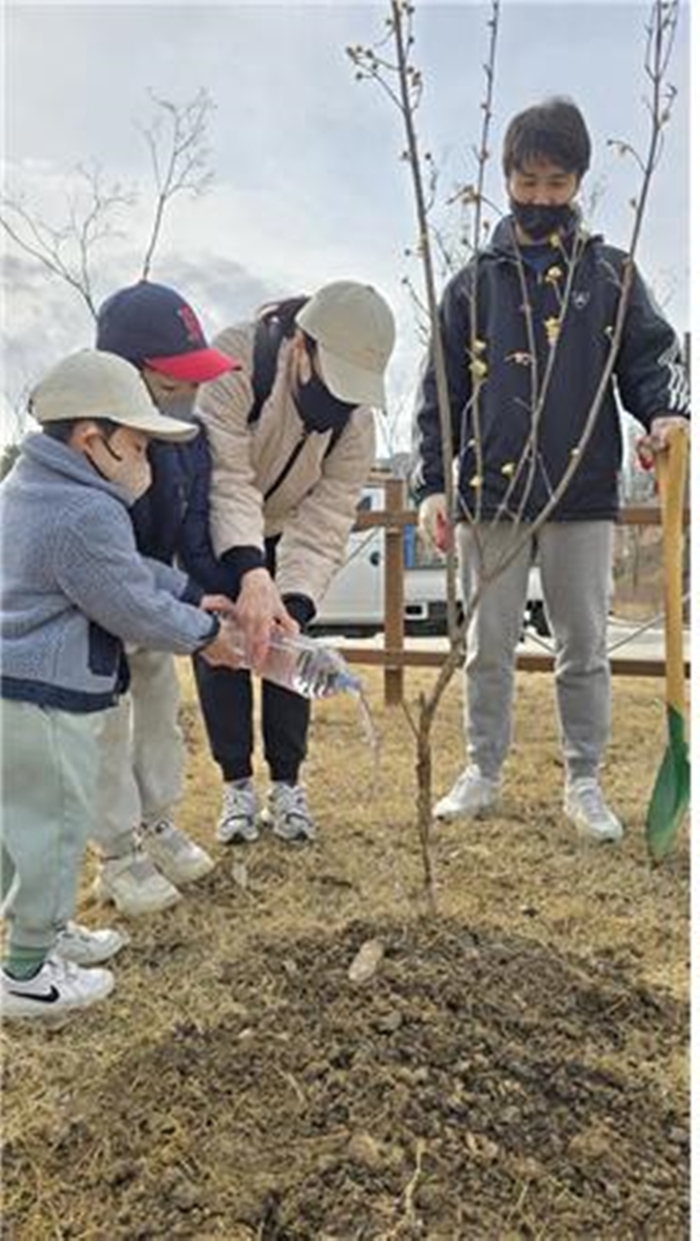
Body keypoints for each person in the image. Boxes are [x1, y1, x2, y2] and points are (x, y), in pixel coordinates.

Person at [412, 97, 690, 844]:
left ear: (578, 183)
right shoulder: (474, 285)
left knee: (584, 646)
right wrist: (434, 483)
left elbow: (652, 357)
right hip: (490, 497)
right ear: (506, 176)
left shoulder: (607, 275)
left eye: (556, 183)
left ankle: (584, 777)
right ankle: (482, 769)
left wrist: (664, 413)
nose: (540, 198)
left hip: (582, 491)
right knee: (486, 645)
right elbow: (439, 390)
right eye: (527, 181)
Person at [0, 350, 242, 1019]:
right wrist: (204, 633)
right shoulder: (84, 513)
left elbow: (129, 570)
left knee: (18, 833)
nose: (146, 459)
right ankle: (27, 974)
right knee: (53, 831)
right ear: (90, 439)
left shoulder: (36, 488)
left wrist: (194, 593)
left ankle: (40, 935)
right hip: (46, 701)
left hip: (16, 695)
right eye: (136, 443)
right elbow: (131, 604)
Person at [191, 280, 396, 845]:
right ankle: (236, 786)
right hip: (216, 524)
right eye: (334, 382)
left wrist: (293, 601)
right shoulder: (236, 361)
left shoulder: (355, 424)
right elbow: (226, 477)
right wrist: (250, 571)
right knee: (225, 653)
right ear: (302, 347)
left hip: (287, 533)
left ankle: (287, 786)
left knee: (287, 652)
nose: (339, 403)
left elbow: (328, 518)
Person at [91, 282, 236, 917]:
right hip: (93, 610)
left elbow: (194, 532)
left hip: (152, 596)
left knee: (158, 707)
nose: (189, 393)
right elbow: (110, 567)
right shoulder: (91, 445)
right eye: (173, 380)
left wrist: (218, 600)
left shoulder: (189, 440)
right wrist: (188, 619)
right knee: (106, 724)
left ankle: (158, 822)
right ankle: (117, 852)